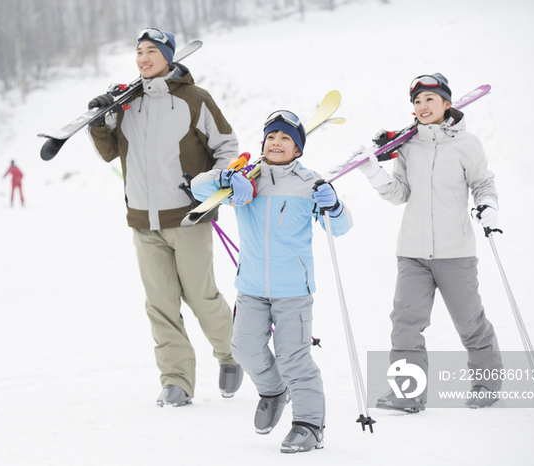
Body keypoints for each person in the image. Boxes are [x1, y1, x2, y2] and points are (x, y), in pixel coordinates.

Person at [86, 28, 243, 407]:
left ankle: (231, 354)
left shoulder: (195, 99)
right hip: (143, 219)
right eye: (138, 51)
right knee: (159, 304)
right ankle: (176, 381)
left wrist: (210, 185)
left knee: (201, 296)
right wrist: (100, 122)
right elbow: (109, 153)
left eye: (151, 51)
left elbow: (227, 148)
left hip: (188, 217)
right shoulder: (127, 102)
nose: (143, 57)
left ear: (168, 56)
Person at [192, 110, 353, 453]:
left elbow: (340, 227)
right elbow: (197, 187)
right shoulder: (247, 178)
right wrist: (225, 178)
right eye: (271, 138)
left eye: (286, 139)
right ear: (262, 144)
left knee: (294, 357)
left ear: (298, 150)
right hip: (250, 286)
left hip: (293, 289)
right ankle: (274, 390)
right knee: (243, 348)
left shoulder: (311, 182)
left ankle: (310, 424)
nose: (277, 143)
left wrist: (334, 205)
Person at [358, 73, 503, 412]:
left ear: (447, 104)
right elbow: (400, 194)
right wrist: (373, 173)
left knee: (470, 323)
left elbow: (483, 182)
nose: (422, 107)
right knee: (405, 322)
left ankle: (486, 384)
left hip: (455, 252)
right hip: (412, 252)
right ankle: (407, 393)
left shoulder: (467, 144)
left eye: (429, 100)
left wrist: (489, 205)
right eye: (417, 101)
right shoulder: (408, 145)